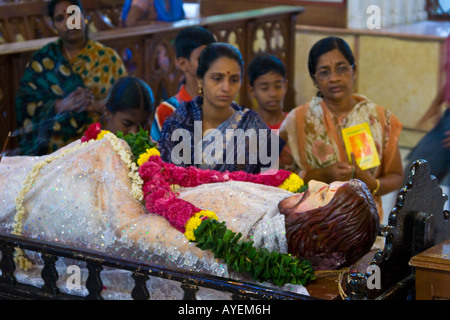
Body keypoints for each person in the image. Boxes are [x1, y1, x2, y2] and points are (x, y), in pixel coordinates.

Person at [280, 36, 404, 219]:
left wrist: (373, 184)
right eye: (324, 72)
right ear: (315, 79)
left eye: (342, 69)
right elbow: (280, 179)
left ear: (354, 71)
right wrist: (323, 174)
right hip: (311, 225)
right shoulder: (297, 120)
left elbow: (396, 176)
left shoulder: (379, 119)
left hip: (365, 225)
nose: (334, 78)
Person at [15, 0, 127, 156]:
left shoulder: (108, 58)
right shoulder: (42, 60)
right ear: (53, 25)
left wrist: (96, 106)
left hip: (100, 148)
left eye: (73, 14)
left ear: (84, 17)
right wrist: (59, 105)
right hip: (55, 153)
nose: (69, 22)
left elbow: (126, 104)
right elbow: (24, 104)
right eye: (60, 18)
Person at [158, 42, 285, 174]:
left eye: (234, 80)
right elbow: (166, 180)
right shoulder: (178, 123)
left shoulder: (253, 125)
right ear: (201, 80)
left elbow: (270, 183)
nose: (226, 88)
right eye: (217, 78)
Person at [151, 26, 216, 141]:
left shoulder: (223, 103)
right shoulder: (168, 111)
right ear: (183, 63)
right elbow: (157, 156)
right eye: (201, 58)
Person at [248, 54, 288, 131]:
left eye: (278, 86)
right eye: (264, 88)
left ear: (285, 86)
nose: (273, 94)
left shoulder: (295, 125)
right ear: (251, 91)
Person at [120, 0, 185, 27]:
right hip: (142, 45)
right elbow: (130, 22)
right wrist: (156, 24)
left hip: (168, 39)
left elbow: (182, 18)